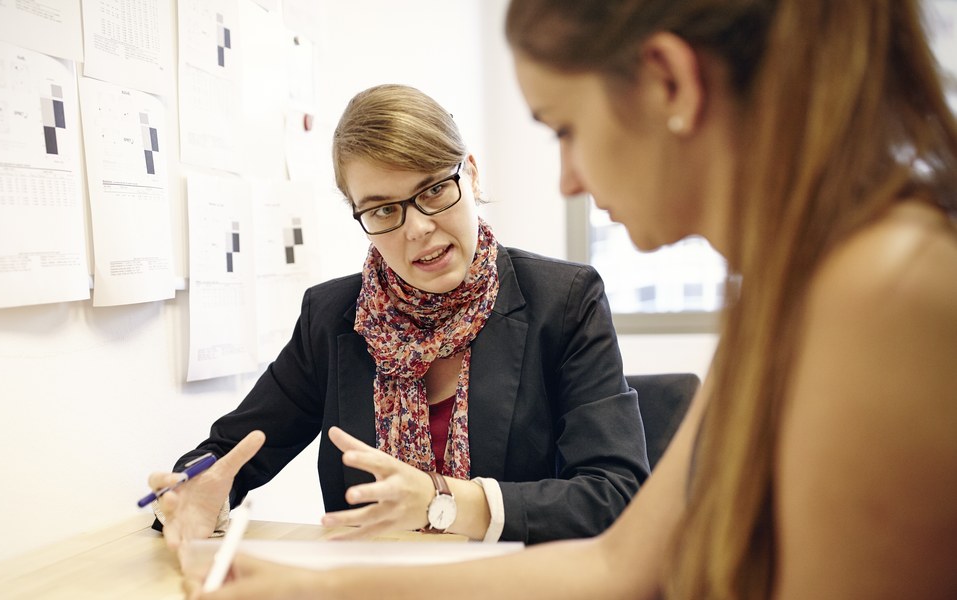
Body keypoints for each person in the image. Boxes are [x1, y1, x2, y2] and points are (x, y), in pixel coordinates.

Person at [186, 0, 957, 598]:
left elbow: (616, 518)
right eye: (383, 210)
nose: (566, 180)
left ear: (668, 82)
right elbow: (624, 566)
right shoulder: (796, 291)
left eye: (564, 128)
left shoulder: (880, 292)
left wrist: (436, 511)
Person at [147, 83, 649, 547]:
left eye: (433, 190)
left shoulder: (563, 301)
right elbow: (229, 455)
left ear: (470, 173)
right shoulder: (333, 317)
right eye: (384, 209)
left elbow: (616, 495)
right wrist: (193, 495)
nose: (418, 228)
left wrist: (444, 501)